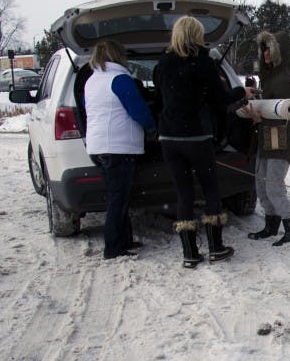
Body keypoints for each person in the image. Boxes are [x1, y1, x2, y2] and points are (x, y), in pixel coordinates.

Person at [154, 16, 249, 268]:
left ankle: (190, 253)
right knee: (210, 189)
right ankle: (216, 248)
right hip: (196, 137)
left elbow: (160, 97)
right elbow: (221, 99)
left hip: (168, 138)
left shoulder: (163, 63)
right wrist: (242, 92)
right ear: (195, 35)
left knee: (183, 193)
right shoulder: (203, 63)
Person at [83, 39, 156, 260]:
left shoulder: (91, 81)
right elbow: (138, 110)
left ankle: (124, 241)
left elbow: (87, 107)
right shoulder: (120, 79)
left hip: (97, 147)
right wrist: (152, 128)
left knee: (118, 196)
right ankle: (113, 248)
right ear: (118, 55)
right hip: (118, 147)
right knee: (119, 199)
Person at [244, 30, 290, 246]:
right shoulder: (267, 77)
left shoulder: (283, 79)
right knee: (261, 185)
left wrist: (259, 119)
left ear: (278, 51)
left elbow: (284, 115)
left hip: (280, 139)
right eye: (263, 49)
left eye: (269, 49)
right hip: (265, 137)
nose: (266, 53)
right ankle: (271, 225)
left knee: (274, 186)